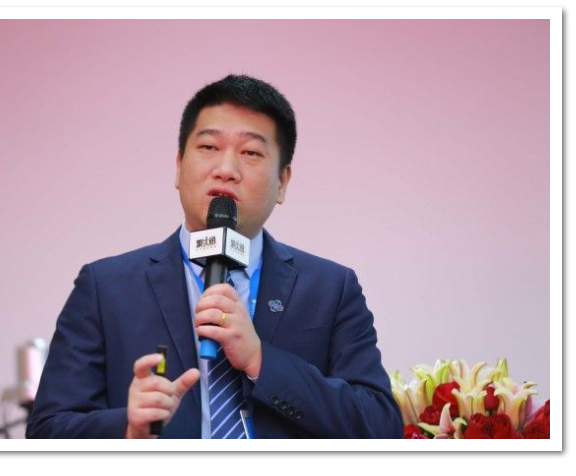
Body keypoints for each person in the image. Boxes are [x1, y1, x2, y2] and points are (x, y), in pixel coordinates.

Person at [26, 75, 403, 439]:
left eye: (251, 152)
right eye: (208, 147)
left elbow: (380, 427)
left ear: (282, 182)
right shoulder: (105, 288)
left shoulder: (330, 289)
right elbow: (47, 432)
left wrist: (261, 360)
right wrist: (128, 430)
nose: (226, 170)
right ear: (178, 166)